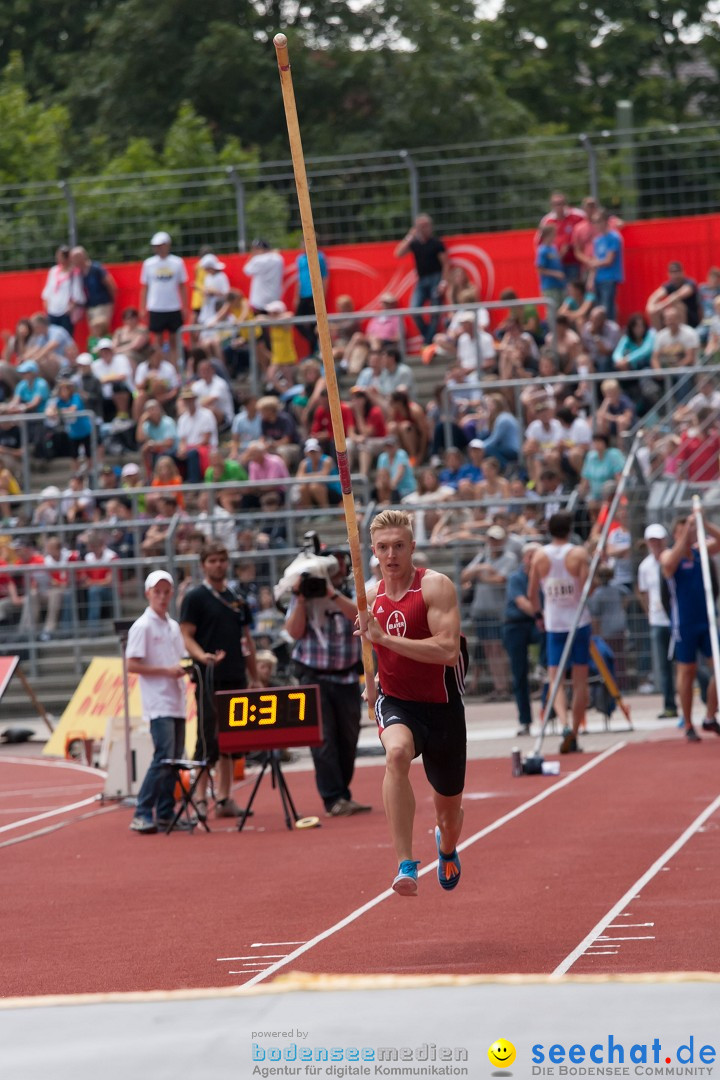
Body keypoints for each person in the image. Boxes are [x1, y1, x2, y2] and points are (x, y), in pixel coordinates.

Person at [360, 509, 467, 896]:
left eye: (399, 547)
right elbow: (369, 652)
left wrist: (383, 638)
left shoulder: (435, 588)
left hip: (442, 708)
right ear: (373, 551)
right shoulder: (369, 597)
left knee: (449, 814)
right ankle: (406, 863)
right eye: (384, 548)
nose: (391, 556)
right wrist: (370, 680)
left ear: (413, 548)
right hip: (397, 702)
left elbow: (447, 651)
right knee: (396, 755)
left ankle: (447, 845)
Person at [284, 546, 370, 818]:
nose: (335, 569)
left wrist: (331, 594)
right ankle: (333, 798)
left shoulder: (355, 592)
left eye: (339, 564)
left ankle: (342, 793)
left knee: (348, 738)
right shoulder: (305, 595)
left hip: (346, 677)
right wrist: (300, 595)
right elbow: (294, 632)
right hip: (314, 676)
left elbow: (360, 618)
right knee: (323, 741)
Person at [180, 541, 258, 818]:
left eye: (221, 560)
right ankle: (200, 798)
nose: (217, 565)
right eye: (212, 561)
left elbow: (246, 639)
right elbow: (186, 634)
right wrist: (203, 656)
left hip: (236, 675)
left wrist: (255, 676)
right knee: (206, 738)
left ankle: (224, 798)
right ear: (203, 564)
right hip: (209, 677)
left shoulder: (237, 597)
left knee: (232, 741)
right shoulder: (195, 597)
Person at [126, 571, 190, 834]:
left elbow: (180, 659)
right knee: (164, 757)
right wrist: (168, 671)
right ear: (148, 593)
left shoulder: (172, 626)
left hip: (175, 698)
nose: (162, 597)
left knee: (173, 759)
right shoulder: (143, 626)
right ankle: (142, 811)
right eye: (157, 592)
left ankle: (165, 812)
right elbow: (132, 664)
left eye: (166, 592)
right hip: (158, 701)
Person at [528, 511, 592, 753]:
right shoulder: (578, 554)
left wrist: (538, 616)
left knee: (556, 680)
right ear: (570, 529)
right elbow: (587, 589)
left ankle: (565, 725)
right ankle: (573, 732)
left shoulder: (539, 556)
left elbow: (532, 592)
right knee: (579, 682)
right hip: (578, 622)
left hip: (554, 624)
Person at [660, 513, 720, 742]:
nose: (691, 534)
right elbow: (668, 563)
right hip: (683, 624)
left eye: (692, 530)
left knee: (718, 668)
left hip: (707, 622)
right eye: (685, 530)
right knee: (687, 672)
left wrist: (704, 524)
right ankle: (687, 722)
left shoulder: (700, 553)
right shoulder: (669, 555)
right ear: (677, 533)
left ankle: (710, 714)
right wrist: (685, 534)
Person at [637, 524, 678, 719]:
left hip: (677, 619)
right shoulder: (644, 567)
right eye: (652, 540)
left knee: (689, 663)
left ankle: (708, 700)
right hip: (657, 620)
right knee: (663, 666)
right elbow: (643, 593)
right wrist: (650, 614)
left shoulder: (672, 558)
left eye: (658, 539)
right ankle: (670, 705)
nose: (656, 543)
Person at [503, 542, 544, 735]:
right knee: (519, 675)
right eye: (533, 556)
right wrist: (540, 616)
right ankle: (525, 721)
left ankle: (542, 666)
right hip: (516, 625)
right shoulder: (516, 578)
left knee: (548, 640)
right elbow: (522, 602)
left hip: (537, 623)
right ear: (526, 558)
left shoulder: (544, 576)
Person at [394, 214, 448, 345]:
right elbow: (398, 253)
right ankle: (429, 339)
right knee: (414, 310)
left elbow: (446, 263)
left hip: (436, 278)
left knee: (434, 312)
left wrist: (443, 281)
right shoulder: (415, 243)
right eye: (421, 226)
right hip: (422, 280)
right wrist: (410, 236)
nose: (424, 229)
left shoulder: (436, 243)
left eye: (426, 226)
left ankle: (427, 343)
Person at [139, 231, 188, 367]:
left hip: (173, 306)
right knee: (157, 341)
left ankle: (174, 368)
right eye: (156, 246)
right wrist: (142, 307)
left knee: (174, 341)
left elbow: (182, 286)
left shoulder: (177, 262)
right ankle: (159, 367)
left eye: (161, 245)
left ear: (168, 245)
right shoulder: (148, 264)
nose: (158, 248)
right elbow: (145, 287)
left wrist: (184, 307)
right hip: (156, 306)